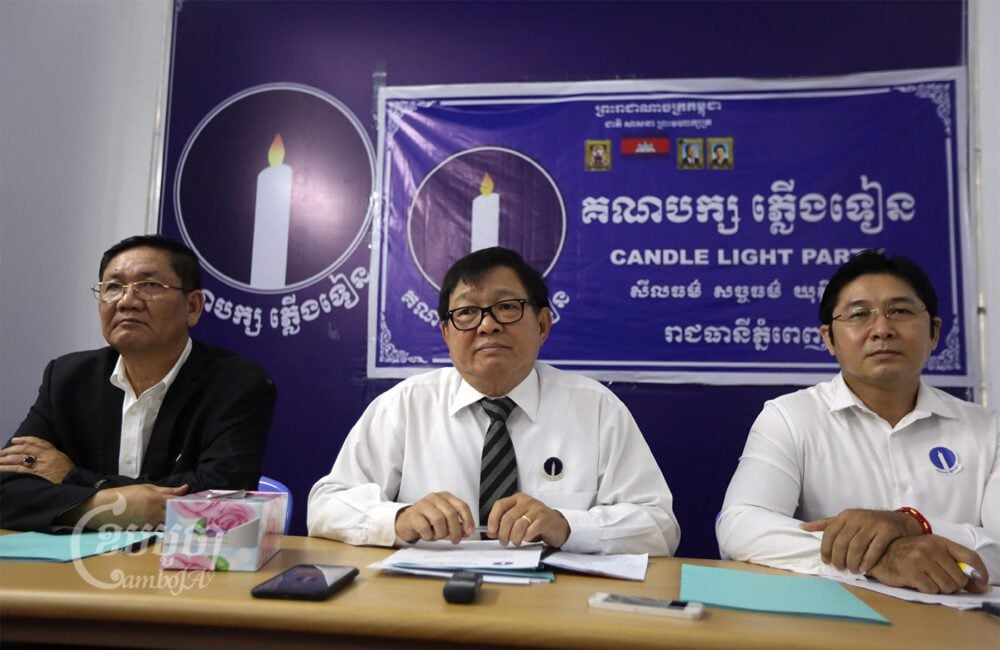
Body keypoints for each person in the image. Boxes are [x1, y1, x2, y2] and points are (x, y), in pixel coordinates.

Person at [308, 247, 679, 555]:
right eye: (467, 312)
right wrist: (399, 518)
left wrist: (567, 525)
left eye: (507, 307)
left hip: (559, 610)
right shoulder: (405, 406)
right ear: (446, 333)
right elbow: (326, 505)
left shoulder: (597, 410)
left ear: (543, 325)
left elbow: (659, 527)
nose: (487, 325)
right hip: (429, 608)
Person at [717, 250, 996, 594]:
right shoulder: (790, 417)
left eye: (900, 311)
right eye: (859, 314)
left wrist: (914, 525)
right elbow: (740, 528)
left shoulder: (989, 429)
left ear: (934, 333)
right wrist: (883, 558)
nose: (882, 329)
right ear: (829, 339)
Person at [0, 235, 277, 532]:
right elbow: (8, 488)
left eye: (150, 286)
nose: (127, 301)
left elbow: (218, 499)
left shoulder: (238, 384)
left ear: (193, 306)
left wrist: (74, 478)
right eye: (113, 287)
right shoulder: (67, 377)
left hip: (183, 570)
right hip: (76, 567)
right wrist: (106, 507)